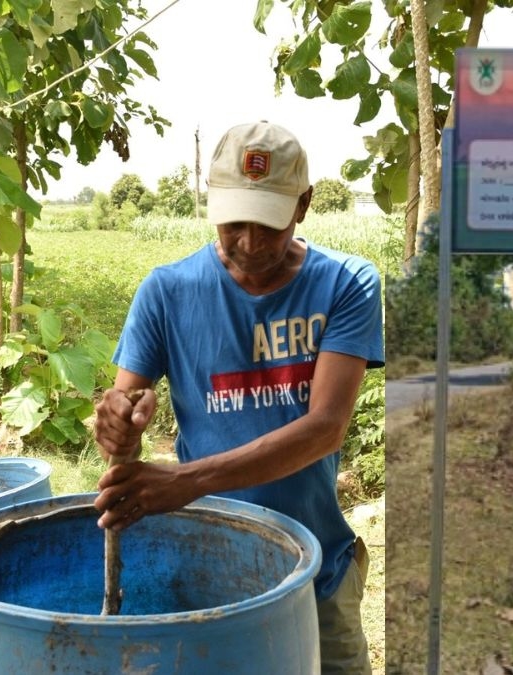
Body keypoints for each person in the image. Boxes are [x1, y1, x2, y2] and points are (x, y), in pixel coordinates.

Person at [93, 120, 384, 674]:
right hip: (208, 566)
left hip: (319, 569)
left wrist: (187, 479)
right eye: (234, 222)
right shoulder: (168, 292)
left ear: (303, 205)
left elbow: (325, 428)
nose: (249, 243)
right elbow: (120, 407)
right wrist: (120, 420)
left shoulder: (347, 284)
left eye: (268, 225)